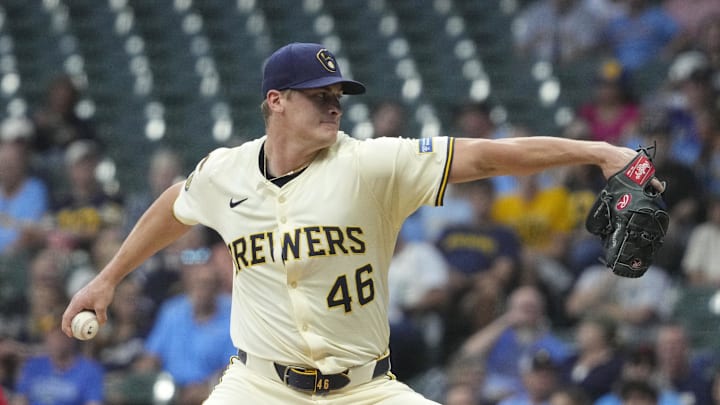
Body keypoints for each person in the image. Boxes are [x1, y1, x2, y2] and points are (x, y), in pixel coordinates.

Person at [61, 42, 654, 404]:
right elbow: (174, 204)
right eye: (317, 94)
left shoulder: (372, 162)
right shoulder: (225, 173)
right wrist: (108, 278)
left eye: (337, 93)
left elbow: (487, 154)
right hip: (260, 388)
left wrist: (599, 152)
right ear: (276, 101)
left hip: (366, 388)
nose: (334, 104)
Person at [457, 285, 572, 402]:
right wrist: (506, 320)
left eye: (532, 308)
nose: (527, 313)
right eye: (523, 308)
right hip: (488, 397)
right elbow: (467, 354)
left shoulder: (552, 343)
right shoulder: (499, 336)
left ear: (541, 311)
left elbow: (561, 375)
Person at [12, 323, 104, 405]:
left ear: (72, 338)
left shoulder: (90, 370)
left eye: (61, 336)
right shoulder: (33, 366)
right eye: (53, 335)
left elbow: (93, 402)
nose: (57, 341)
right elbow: (20, 399)